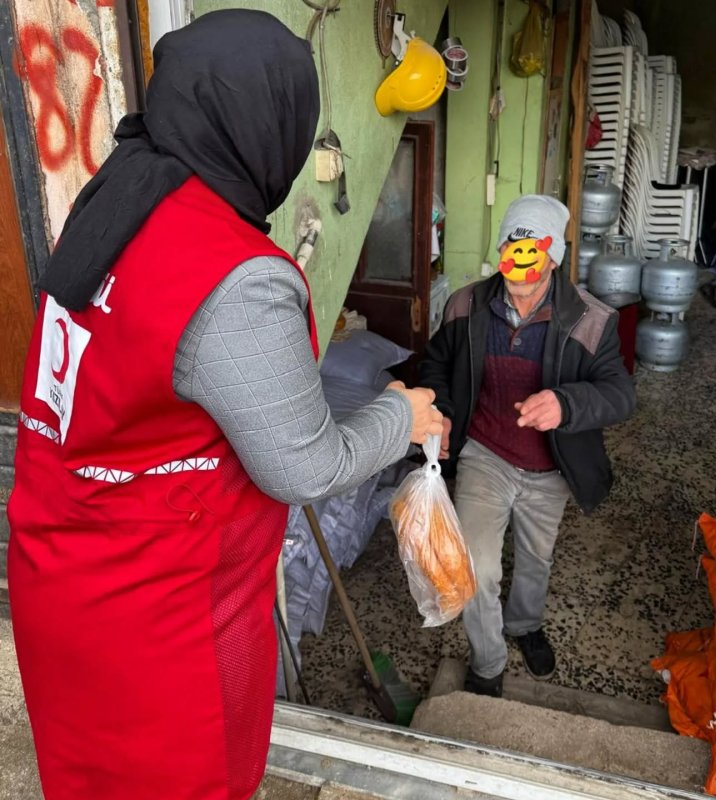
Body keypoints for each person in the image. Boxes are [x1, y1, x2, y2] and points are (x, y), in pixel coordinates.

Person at [7, 10, 442, 800]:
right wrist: (400, 415)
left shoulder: (111, 203)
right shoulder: (236, 272)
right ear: (270, 126)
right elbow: (306, 465)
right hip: (159, 621)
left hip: (60, 579)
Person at [418, 195, 635, 697]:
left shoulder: (592, 320)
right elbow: (435, 366)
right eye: (511, 250)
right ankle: (489, 662)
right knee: (478, 564)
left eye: (532, 253)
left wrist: (566, 404)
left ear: (553, 258)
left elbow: (620, 394)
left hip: (550, 466)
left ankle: (524, 624)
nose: (517, 266)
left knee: (536, 558)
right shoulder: (465, 305)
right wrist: (443, 415)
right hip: (486, 453)